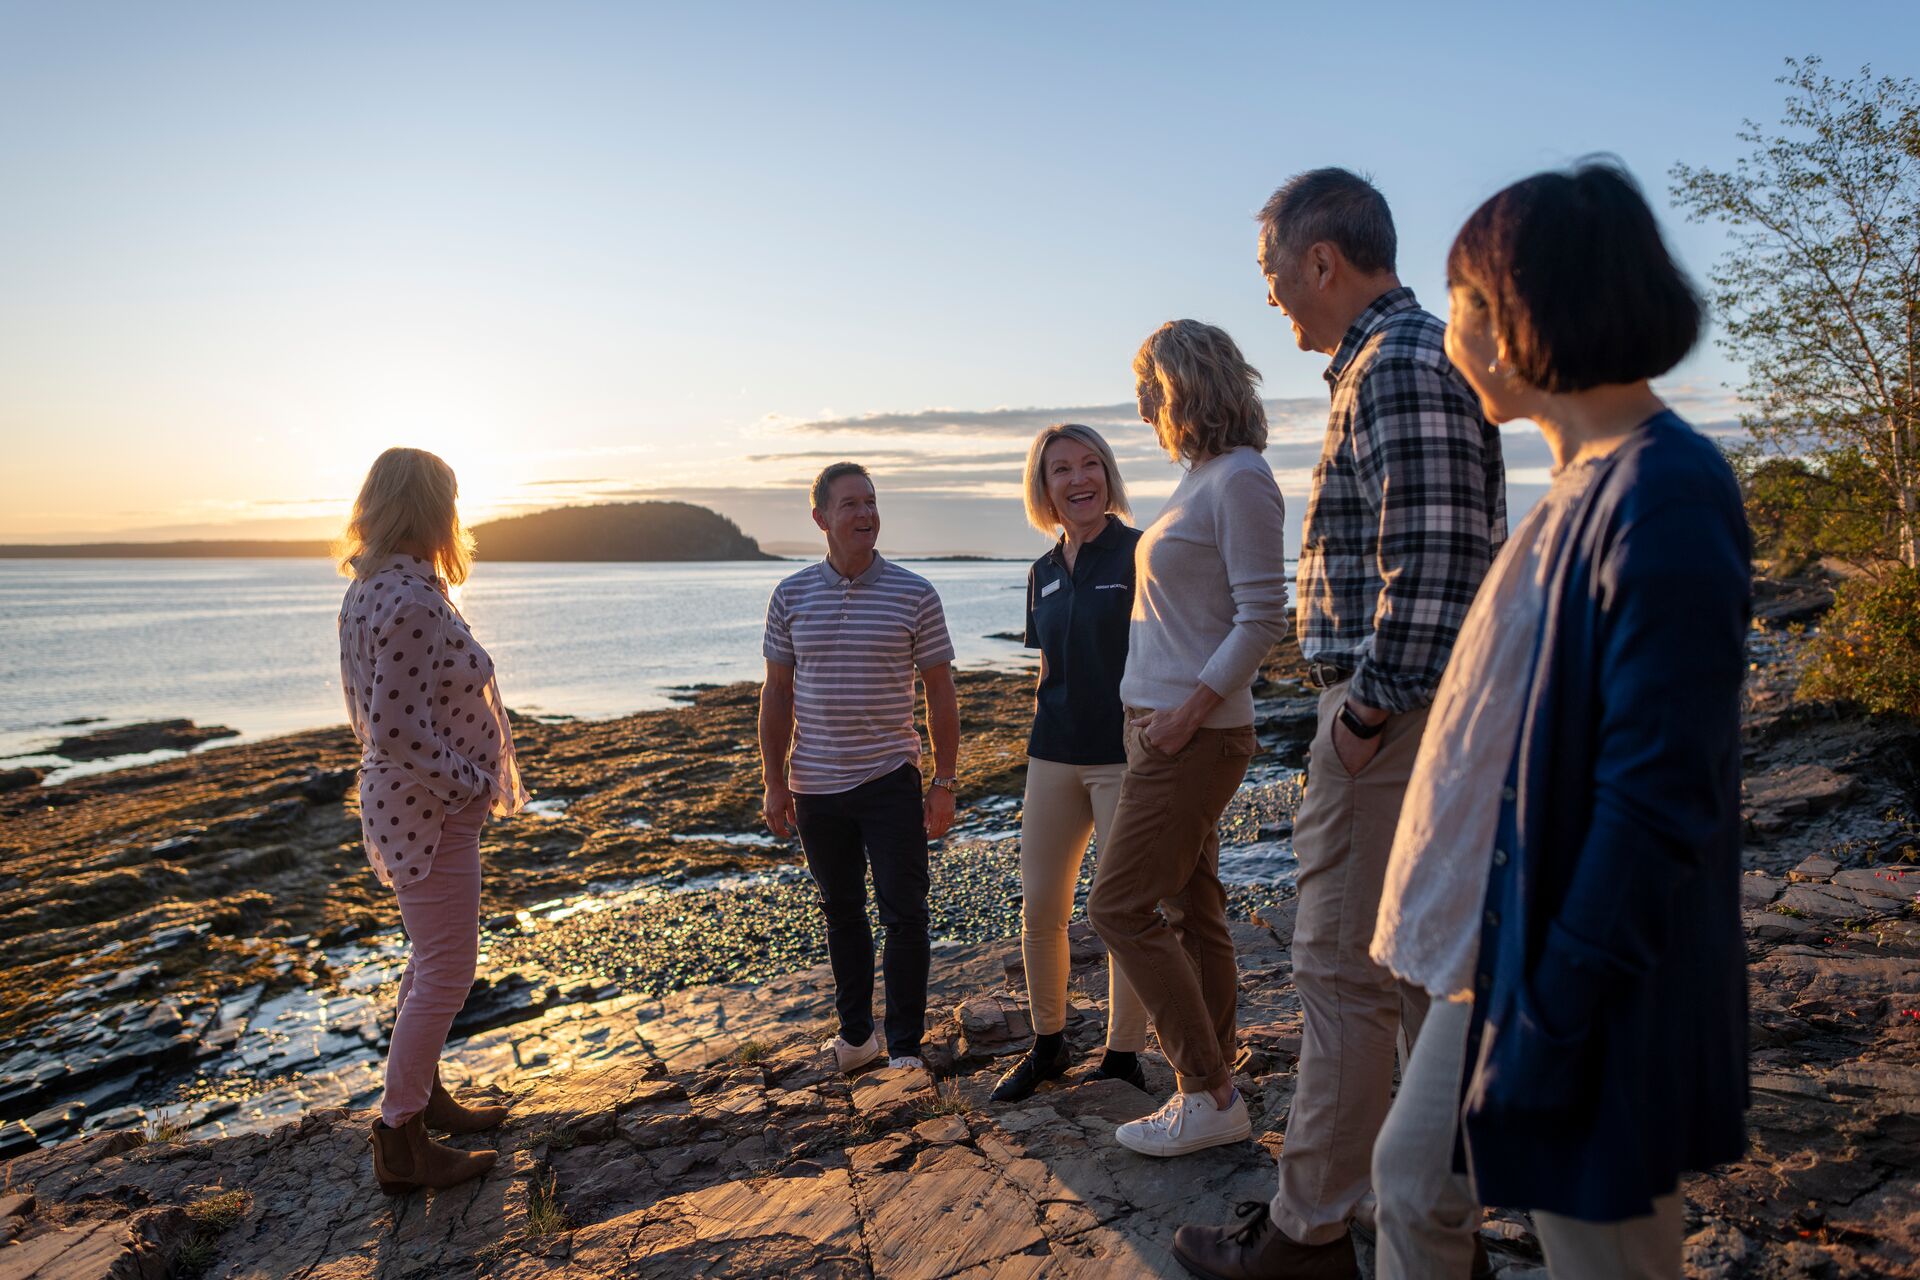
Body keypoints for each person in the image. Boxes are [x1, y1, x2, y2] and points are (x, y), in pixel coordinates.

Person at [1366, 161, 1750, 1280]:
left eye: (1467, 304)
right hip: (1506, 940)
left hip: (1577, 969)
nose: (1450, 336)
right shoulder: (1582, 482)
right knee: (1411, 1180)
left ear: (1535, 308)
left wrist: (1559, 1005)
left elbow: (1659, 788)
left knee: (1603, 1252)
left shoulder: (1663, 489)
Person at [1174, 169, 1506, 1279]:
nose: (1270, 296)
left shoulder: (1400, 361)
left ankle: (1309, 1230)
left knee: (1339, 973)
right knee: (1412, 976)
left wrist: (1361, 711)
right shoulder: (1394, 360)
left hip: (1392, 720)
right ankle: (1410, 1219)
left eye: (1273, 273)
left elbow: (1440, 559)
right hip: (1418, 717)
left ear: (1322, 259)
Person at [1087, 320, 1290, 1157]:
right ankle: (1217, 1080)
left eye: (1150, 387)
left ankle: (1205, 1090)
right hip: (1164, 729)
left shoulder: (1240, 479)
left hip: (1190, 735)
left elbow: (1263, 616)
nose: (1141, 406)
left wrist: (1185, 712)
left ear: (1186, 387)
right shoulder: (1201, 478)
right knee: (1196, 909)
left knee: (1118, 905)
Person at [335, 447, 528, 1195]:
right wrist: (472, 782)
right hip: (428, 807)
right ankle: (400, 1139)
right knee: (449, 970)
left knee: (428, 960)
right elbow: (393, 727)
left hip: (409, 803)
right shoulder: (411, 601)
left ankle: (424, 1100)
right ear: (431, 509)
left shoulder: (376, 588)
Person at [760, 462, 959, 1073]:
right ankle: (856, 1037)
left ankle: (903, 1047)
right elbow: (776, 696)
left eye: (871, 502)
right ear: (820, 518)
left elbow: (941, 696)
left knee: (905, 914)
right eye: (850, 504)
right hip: (815, 786)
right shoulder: (789, 596)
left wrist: (944, 782)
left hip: (889, 779)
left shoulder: (914, 593)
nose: (865, 514)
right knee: (841, 912)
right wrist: (773, 781)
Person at [992, 423, 1152, 1103]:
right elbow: (1049, 666)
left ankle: (1123, 1055)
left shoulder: (1143, 554)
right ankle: (1049, 1044)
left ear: (1108, 476)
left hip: (1123, 760)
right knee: (1041, 909)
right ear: (1045, 487)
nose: (1079, 478)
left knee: (1123, 912)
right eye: (1062, 469)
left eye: (1091, 464)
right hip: (1052, 757)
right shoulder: (1042, 572)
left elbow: (1168, 653)